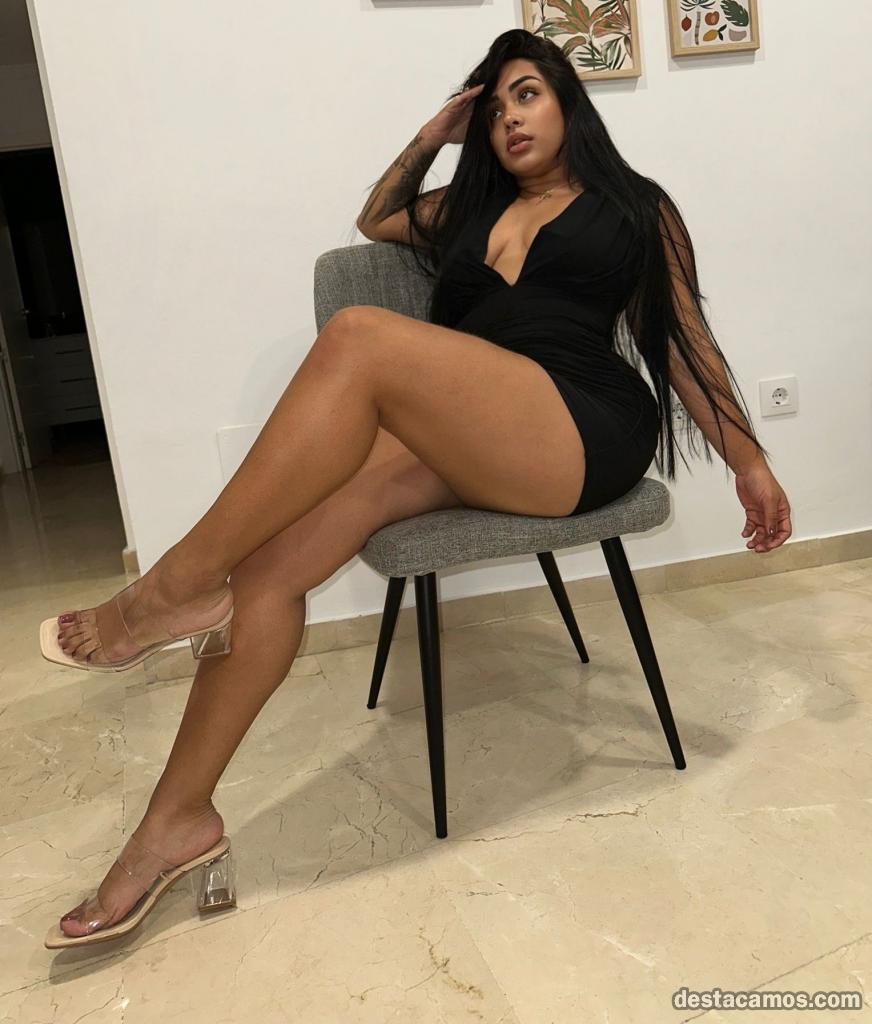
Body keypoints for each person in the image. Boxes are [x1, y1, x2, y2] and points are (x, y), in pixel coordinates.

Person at [42, 28, 791, 947]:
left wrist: (750, 463)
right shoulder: (463, 213)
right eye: (496, 105)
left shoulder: (635, 206)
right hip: (472, 438)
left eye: (527, 93)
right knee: (267, 572)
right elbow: (377, 217)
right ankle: (176, 824)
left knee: (358, 335)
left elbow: (685, 343)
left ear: (569, 100)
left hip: (584, 427)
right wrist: (436, 134)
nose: (510, 117)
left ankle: (168, 589)